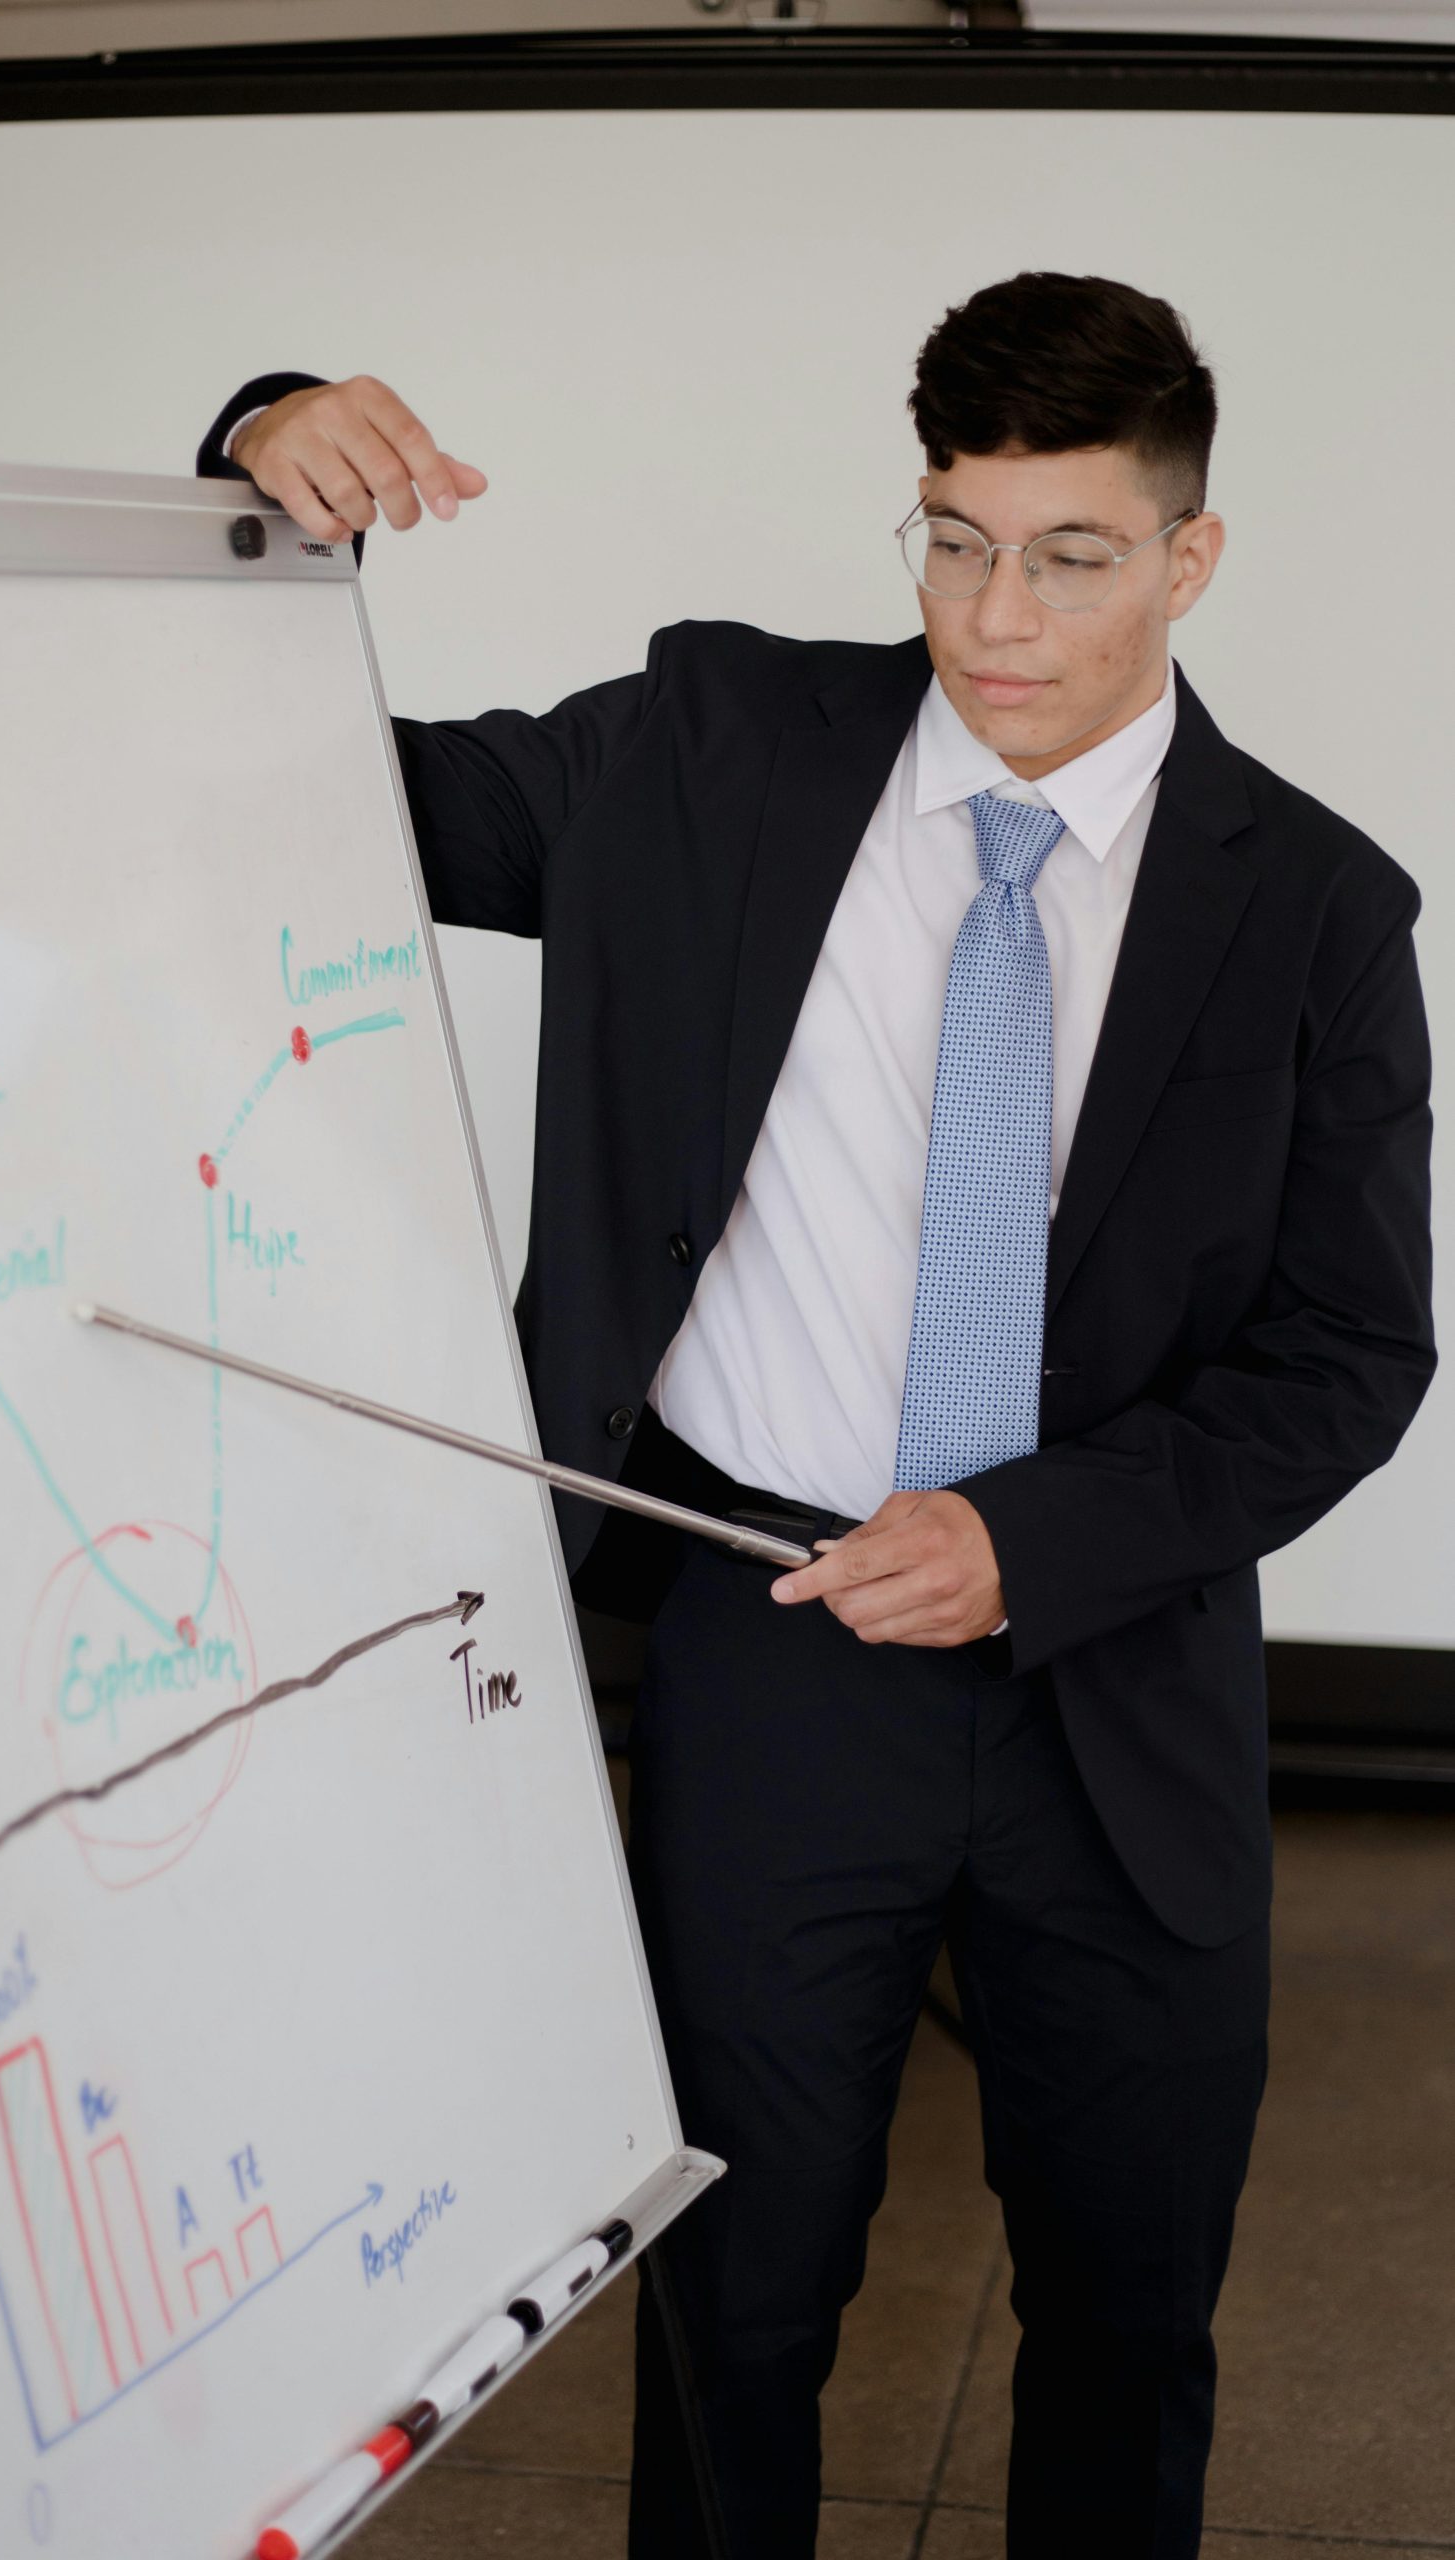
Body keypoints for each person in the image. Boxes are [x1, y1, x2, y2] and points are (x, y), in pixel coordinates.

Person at [197, 272, 1435, 2559]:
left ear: (1188, 555)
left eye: (1067, 552)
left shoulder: (1324, 913)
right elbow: (325, 802)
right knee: (731, 2310)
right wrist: (263, 477)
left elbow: (1350, 1354)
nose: (994, 609)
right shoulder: (707, 748)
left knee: (1124, 2313)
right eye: (950, 535)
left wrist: (1032, 1536)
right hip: (763, 1649)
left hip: (1117, 1683)